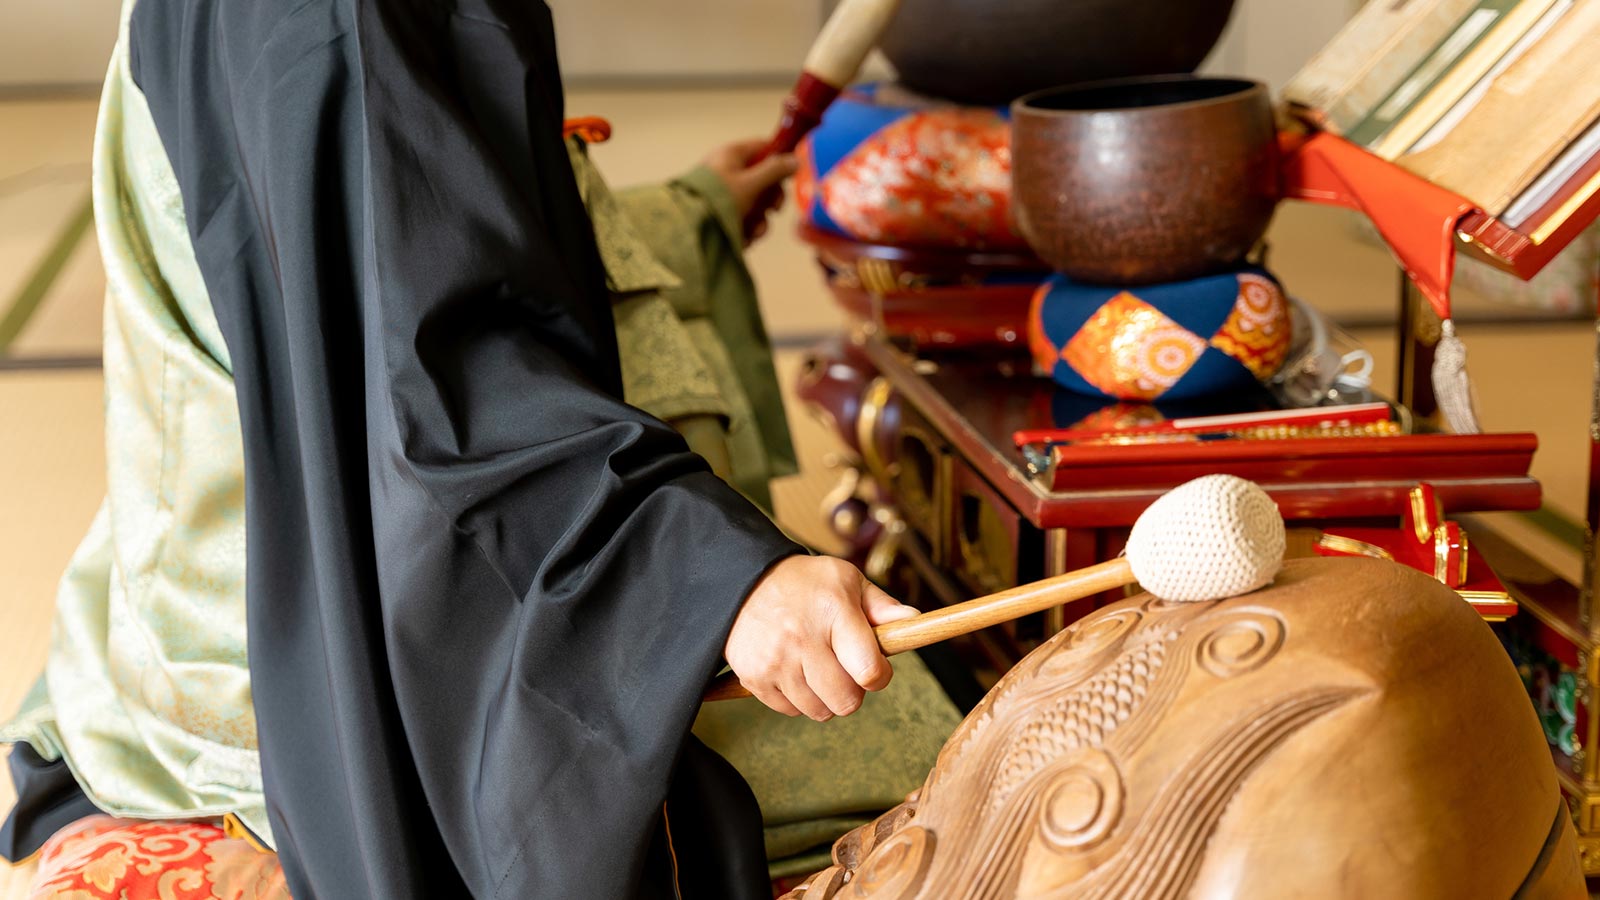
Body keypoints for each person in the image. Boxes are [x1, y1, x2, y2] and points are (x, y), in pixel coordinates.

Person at [0, 0, 922, 896]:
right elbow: (433, 397)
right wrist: (709, 577)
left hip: (183, 578)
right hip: (293, 653)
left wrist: (692, 210)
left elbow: (383, 248)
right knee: (912, 766)